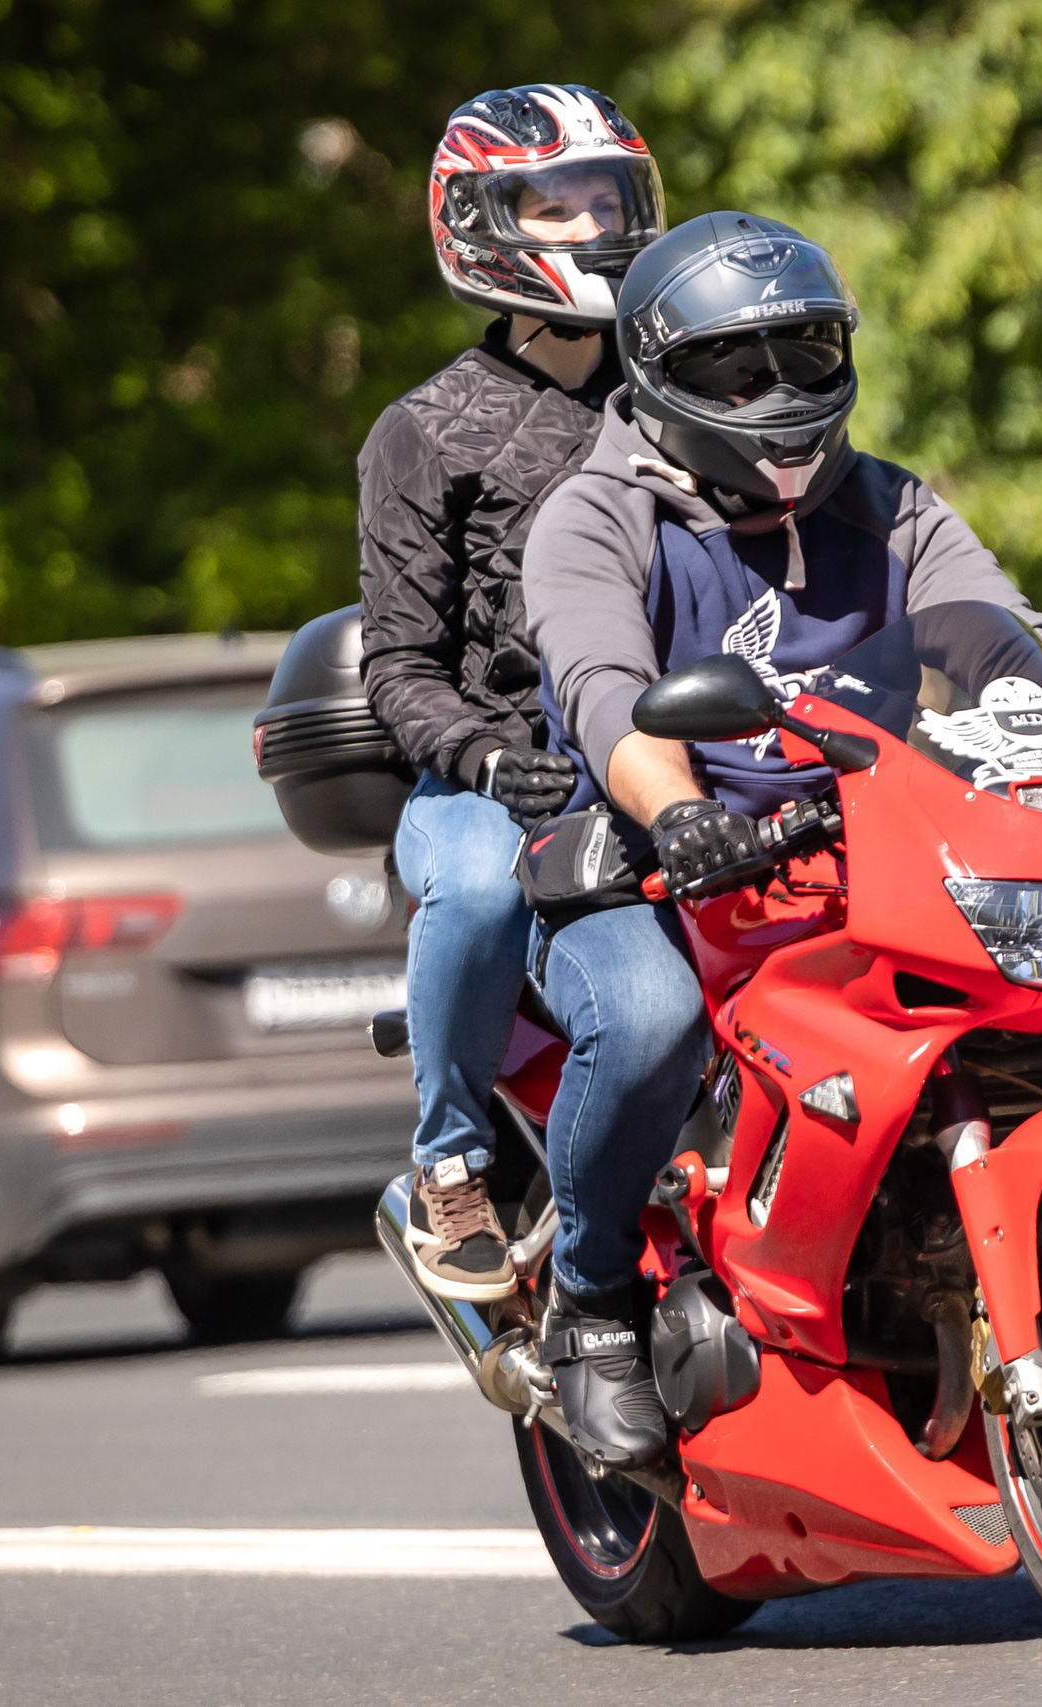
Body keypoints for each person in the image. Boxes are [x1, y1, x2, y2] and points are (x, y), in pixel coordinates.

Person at [520, 211, 1042, 1467]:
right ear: (662, 371)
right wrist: (680, 811)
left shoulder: (885, 502)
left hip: (864, 834)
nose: (777, 394)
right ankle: (594, 1306)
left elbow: (1001, 631)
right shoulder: (594, 517)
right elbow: (605, 689)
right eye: (737, 367)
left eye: (805, 356)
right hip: (653, 859)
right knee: (652, 1016)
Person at [358, 84, 665, 1304]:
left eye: (610, 199)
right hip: (485, 791)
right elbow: (396, 666)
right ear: (483, 221)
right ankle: (449, 1164)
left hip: (654, 773)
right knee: (482, 886)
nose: (593, 224)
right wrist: (484, 761)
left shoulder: (679, 398)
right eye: (559, 203)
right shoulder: (422, 431)